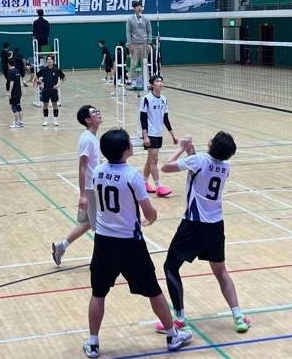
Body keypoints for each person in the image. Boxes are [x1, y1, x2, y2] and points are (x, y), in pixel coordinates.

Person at [83, 128, 193, 358]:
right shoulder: (132, 175)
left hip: (103, 242)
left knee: (98, 293)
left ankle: (93, 343)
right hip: (129, 243)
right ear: (125, 151)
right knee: (153, 290)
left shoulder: (98, 172)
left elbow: (94, 203)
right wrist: (149, 220)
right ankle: (173, 336)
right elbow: (148, 211)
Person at [155, 131, 251, 334]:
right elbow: (203, 169)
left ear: (211, 144)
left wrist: (181, 148)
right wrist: (192, 153)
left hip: (193, 224)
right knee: (221, 272)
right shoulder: (226, 167)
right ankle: (238, 316)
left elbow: (166, 167)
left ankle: (179, 318)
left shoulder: (198, 160)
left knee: (171, 267)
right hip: (215, 226)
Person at [51, 105, 103, 266]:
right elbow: (82, 167)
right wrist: (82, 194)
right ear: (88, 120)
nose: (98, 113)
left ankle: (62, 246)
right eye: (94, 112)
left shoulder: (92, 137)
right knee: (100, 226)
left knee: (88, 223)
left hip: (94, 186)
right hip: (90, 188)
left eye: (97, 110)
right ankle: (100, 261)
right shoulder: (87, 139)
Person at [140, 75, 177, 197]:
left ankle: (143, 183)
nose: (160, 83)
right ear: (152, 85)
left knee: (150, 159)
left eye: (161, 81)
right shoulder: (146, 99)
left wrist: (173, 135)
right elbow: (143, 118)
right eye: (157, 81)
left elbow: (165, 119)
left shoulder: (164, 99)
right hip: (150, 134)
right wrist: (145, 136)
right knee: (154, 160)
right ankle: (159, 186)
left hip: (159, 133)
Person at [126, 0, 152, 90]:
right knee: (133, 64)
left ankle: (145, 80)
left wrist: (149, 42)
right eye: (137, 6)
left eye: (140, 6)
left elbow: (149, 30)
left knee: (144, 63)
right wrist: (130, 44)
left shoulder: (146, 19)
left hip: (144, 44)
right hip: (134, 44)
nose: (139, 8)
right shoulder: (130, 19)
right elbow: (128, 32)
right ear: (134, 9)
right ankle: (133, 80)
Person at [37, 55, 66, 126]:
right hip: (45, 90)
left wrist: (58, 85)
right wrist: (40, 84)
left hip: (53, 90)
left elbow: (64, 77)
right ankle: (46, 120)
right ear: (46, 61)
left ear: (53, 61)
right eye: (48, 60)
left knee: (54, 104)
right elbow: (36, 77)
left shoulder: (56, 70)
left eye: (50, 60)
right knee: (45, 104)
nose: (49, 61)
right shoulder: (43, 70)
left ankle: (55, 120)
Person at [6, 56, 24, 128]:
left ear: (8, 64)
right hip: (19, 92)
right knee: (18, 106)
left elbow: (11, 82)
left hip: (14, 92)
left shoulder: (11, 72)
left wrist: (9, 92)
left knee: (14, 107)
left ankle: (16, 122)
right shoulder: (17, 71)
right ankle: (21, 122)